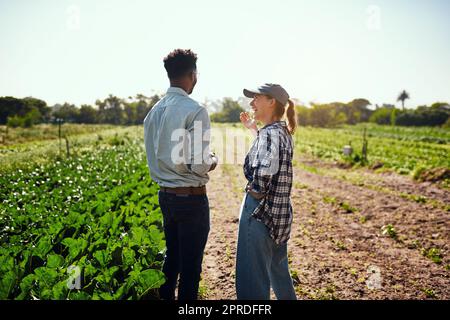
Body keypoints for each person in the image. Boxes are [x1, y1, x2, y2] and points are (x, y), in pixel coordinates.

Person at [143, 49, 218, 300]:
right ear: (193, 75)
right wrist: (214, 160)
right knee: (190, 267)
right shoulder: (195, 110)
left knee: (172, 258)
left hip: (166, 196)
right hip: (191, 200)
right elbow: (199, 165)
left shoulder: (153, 112)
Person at [236, 83, 297, 300]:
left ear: (271, 101)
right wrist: (254, 129)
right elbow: (270, 152)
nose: (252, 103)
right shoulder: (282, 131)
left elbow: (263, 175)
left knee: (252, 280)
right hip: (279, 215)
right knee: (279, 273)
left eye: (257, 98)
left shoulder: (270, 135)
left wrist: (254, 192)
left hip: (260, 213)